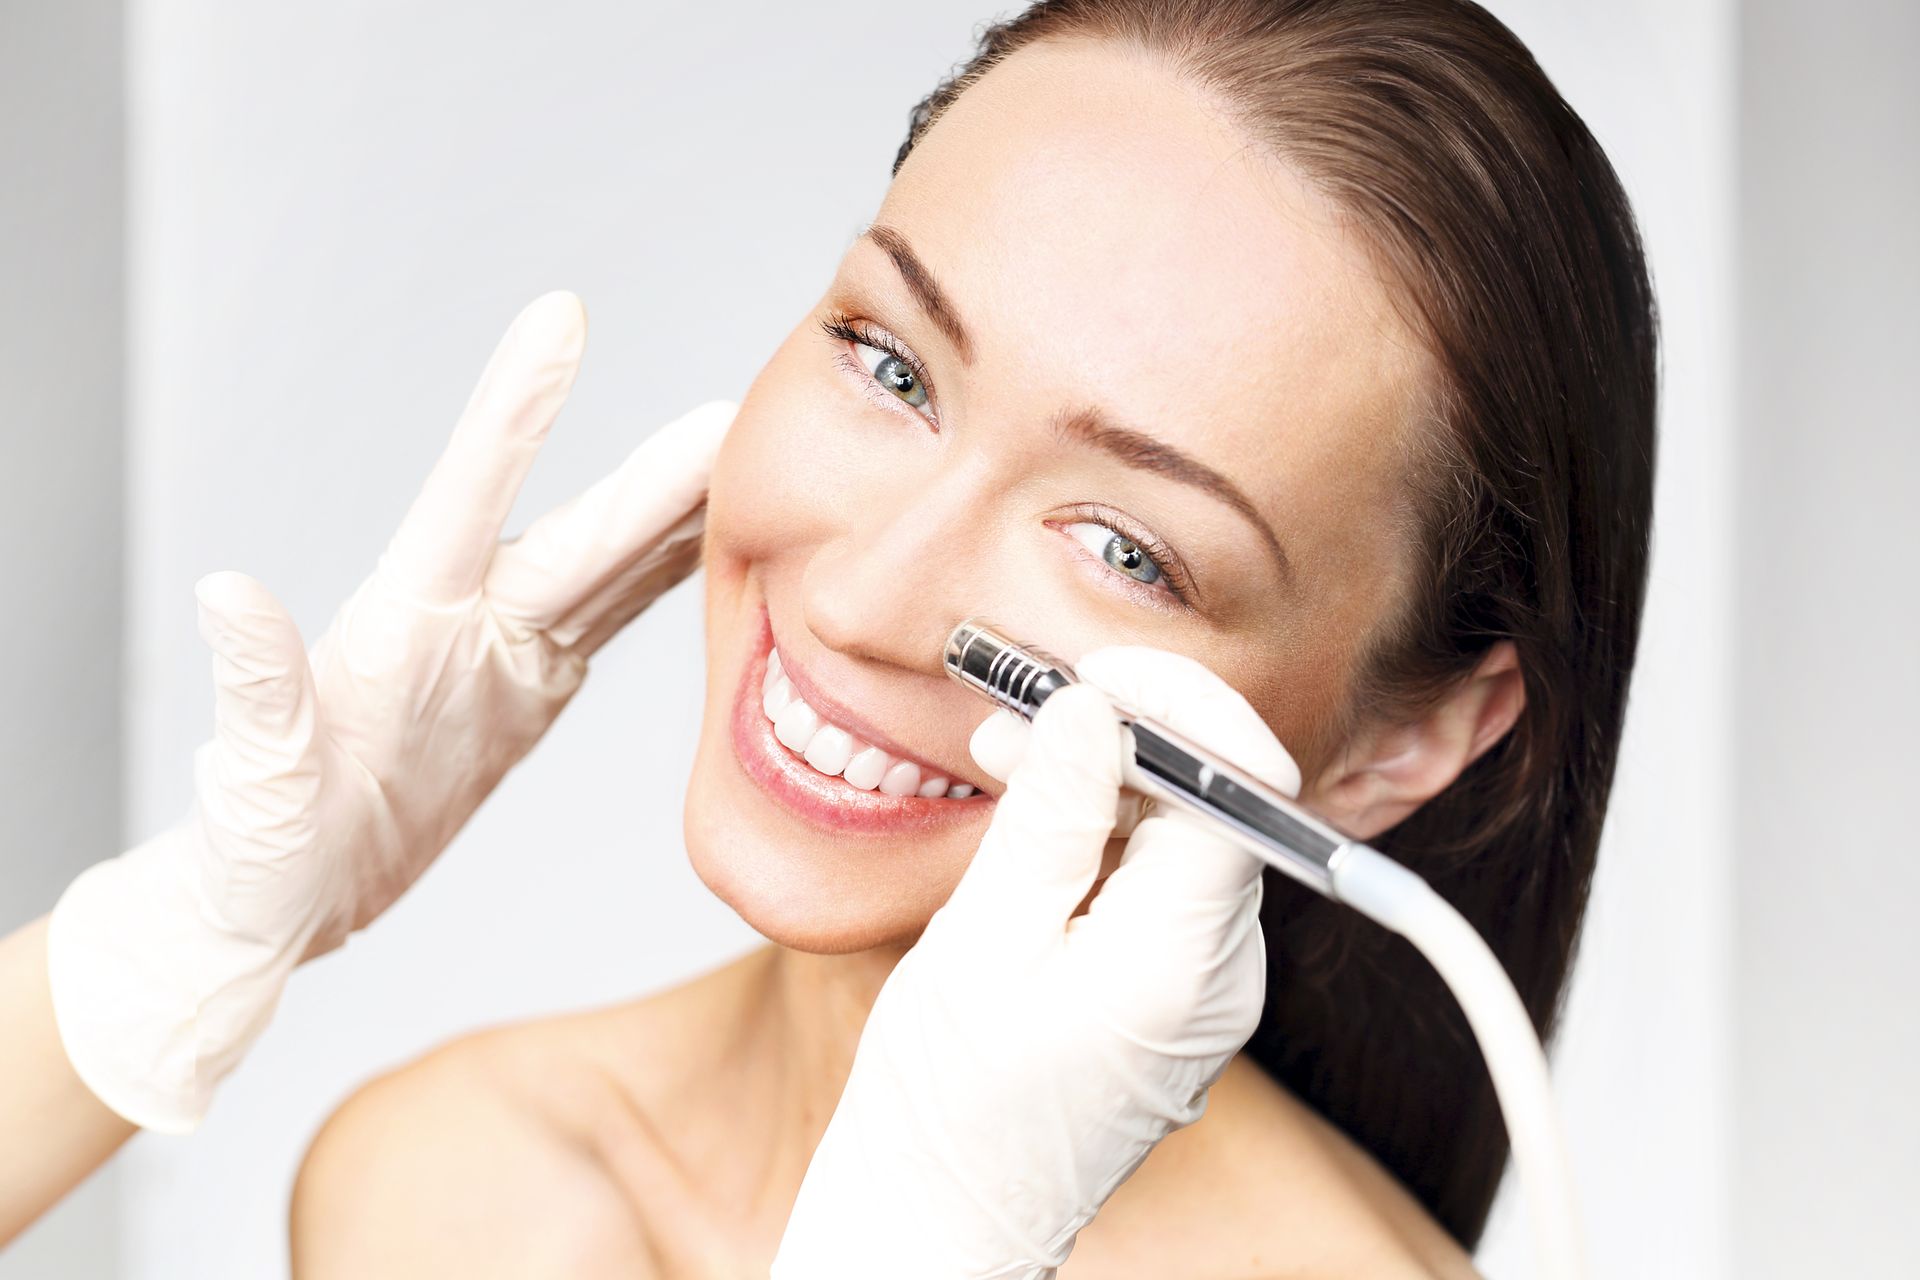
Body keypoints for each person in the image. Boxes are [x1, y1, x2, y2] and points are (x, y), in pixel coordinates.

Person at [4, 1, 1658, 1276]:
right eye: (890, 363)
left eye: (1128, 548)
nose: (863, 601)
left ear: (1403, 742)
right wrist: (154, 963)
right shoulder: (455, 1170)